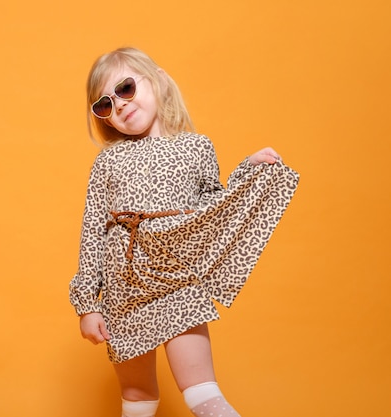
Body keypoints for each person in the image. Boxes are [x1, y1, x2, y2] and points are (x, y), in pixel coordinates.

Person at [69, 47, 299, 417]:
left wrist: (246, 174)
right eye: (104, 104)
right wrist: (87, 305)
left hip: (178, 280)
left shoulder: (196, 146)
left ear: (157, 79)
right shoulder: (107, 160)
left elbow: (213, 210)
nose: (120, 105)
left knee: (202, 394)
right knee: (137, 396)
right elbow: (93, 230)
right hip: (124, 289)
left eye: (126, 88)